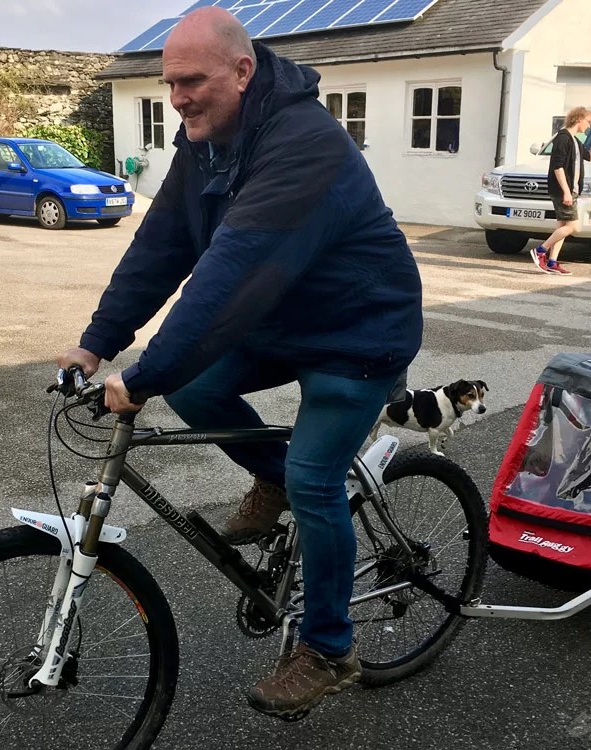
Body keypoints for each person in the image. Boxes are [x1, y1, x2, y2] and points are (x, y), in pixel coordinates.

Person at [56, 7, 422, 718]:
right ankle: (272, 480)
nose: (178, 98)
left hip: (360, 334)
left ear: (243, 71)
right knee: (195, 387)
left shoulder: (304, 144)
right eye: (170, 83)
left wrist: (139, 378)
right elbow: (162, 246)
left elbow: (230, 278)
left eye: (192, 80)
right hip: (283, 322)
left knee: (317, 480)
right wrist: (96, 341)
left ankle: (328, 647)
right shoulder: (207, 140)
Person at [529, 106, 591, 275]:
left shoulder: (575, 141)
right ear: (579, 119)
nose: (589, 125)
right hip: (563, 190)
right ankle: (541, 251)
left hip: (571, 190)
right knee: (574, 226)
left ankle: (552, 262)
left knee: (562, 226)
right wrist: (566, 192)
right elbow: (558, 167)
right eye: (588, 121)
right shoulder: (563, 138)